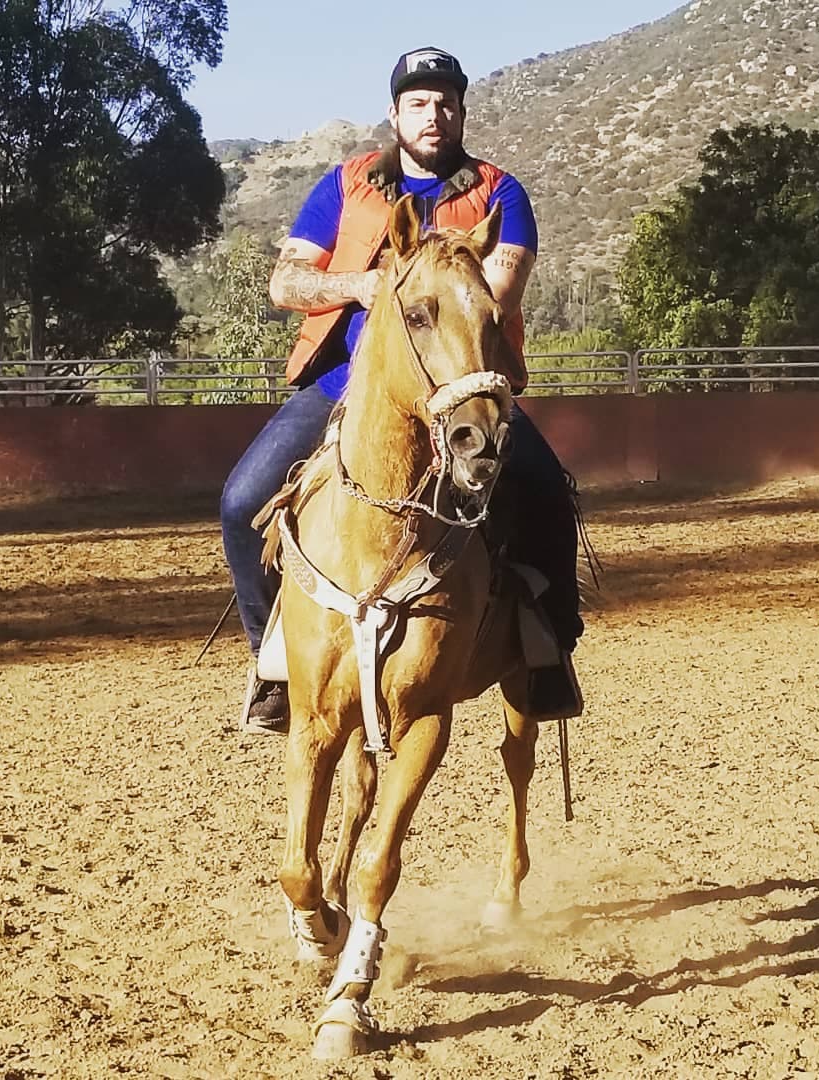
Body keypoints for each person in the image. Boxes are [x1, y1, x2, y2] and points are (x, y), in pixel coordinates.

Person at [220, 46, 583, 733]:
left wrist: (432, 281)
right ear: (395, 114)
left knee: (543, 490)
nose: (433, 113)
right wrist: (361, 285)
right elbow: (286, 282)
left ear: (462, 112)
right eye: (418, 102)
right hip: (345, 386)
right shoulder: (345, 185)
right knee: (242, 502)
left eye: (445, 101)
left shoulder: (501, 193)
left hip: (465, 385)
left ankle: (547, 655)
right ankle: (275, 662)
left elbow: (498, 293)